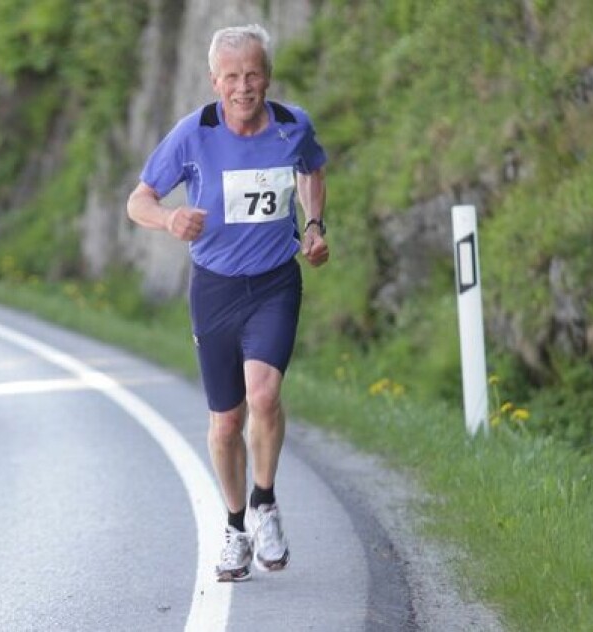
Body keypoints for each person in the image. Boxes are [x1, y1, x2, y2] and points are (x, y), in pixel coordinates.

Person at [126, 24, 329, 582]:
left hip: (274, 283)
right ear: (214, 80)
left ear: (268, 76)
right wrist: (169, 217)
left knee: (264, 395)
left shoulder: (292, 126)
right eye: (232, 77)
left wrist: (313, 225)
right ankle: (236, 528)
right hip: (214, 288)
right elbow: (137, 200)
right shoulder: (194, 134)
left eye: (254, 74)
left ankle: (265, 503)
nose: (244, 87)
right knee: (225, 421)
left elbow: (313, 168)